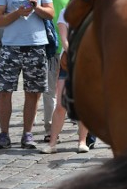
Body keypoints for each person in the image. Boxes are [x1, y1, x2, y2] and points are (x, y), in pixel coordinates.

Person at [0, 0, 55, 150]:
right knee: (5, 91)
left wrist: (36, 7)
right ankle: (4, 134)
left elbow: (50, 13)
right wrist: (18, 13)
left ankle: (28, 134)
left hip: (36, 44)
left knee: (33, 92)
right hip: (11, 46)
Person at [38, 8, 91, 154]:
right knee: (61, 104)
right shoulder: (66, 12)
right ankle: (52, 143)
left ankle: (82, 141)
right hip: (68, 62)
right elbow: (64, 38)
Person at [40, 0, 74, 141]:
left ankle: (81, 129)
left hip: (71, 48)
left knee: (76, 90)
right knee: (50, 91)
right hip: (48, 46)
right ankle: (49, 130)